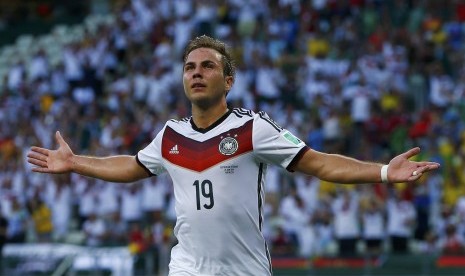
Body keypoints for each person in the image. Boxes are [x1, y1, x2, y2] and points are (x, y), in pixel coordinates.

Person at [27, 35, 440, 275]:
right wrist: (77, 162)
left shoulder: (253, 128)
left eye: (207, 66)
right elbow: (134, 166)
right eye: (190, 67)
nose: (196, 73)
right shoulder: (170, 135)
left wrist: (384, 171)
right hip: (187, 266)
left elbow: (319, 162)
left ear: (227, 81)